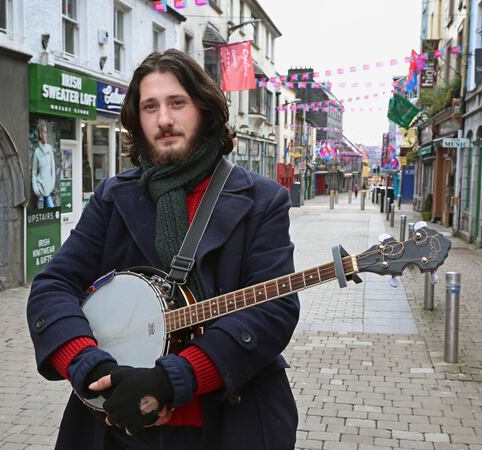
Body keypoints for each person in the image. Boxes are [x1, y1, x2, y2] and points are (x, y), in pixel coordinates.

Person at [27, 49, 299, 450]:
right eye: (150, 107)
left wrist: (177, 377)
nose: (164, 119)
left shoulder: (262, 200)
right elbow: (53, 286)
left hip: (228, 423)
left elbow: (272, 310)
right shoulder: (112, 197)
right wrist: (89, 364)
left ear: (204, 111)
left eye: (177, 103)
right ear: (137, 119)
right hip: (117, 427)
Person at [31, 120, 56, 208]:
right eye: (44, 132)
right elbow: (34, 173)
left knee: (51, 212)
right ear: (40, 134)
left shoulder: (49, 149)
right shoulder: (37, 152)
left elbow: (53, 169)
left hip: (48, 190)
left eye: (46, 132)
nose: (46, 135)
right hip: (40, 190)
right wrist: (35, 189)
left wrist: (52, 185)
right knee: (41, 217)